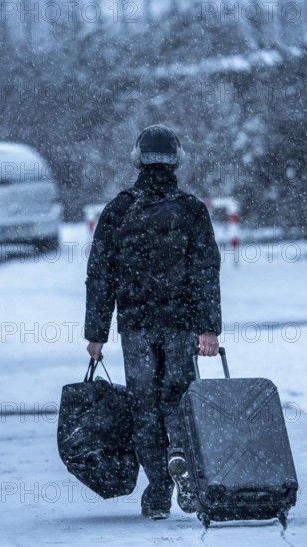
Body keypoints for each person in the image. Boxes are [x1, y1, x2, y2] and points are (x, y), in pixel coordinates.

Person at [85, 124, 221, 520]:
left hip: (136, 326)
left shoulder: (119, 209)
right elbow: (205, 271)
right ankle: (185, 467)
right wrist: (208, 328)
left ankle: (159, 491)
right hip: (180, 325)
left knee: (144, 405)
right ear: (177, 160)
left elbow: (101, 275)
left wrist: (96, 334)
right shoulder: (192, 209)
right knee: (179, 396)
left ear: (137, 159)